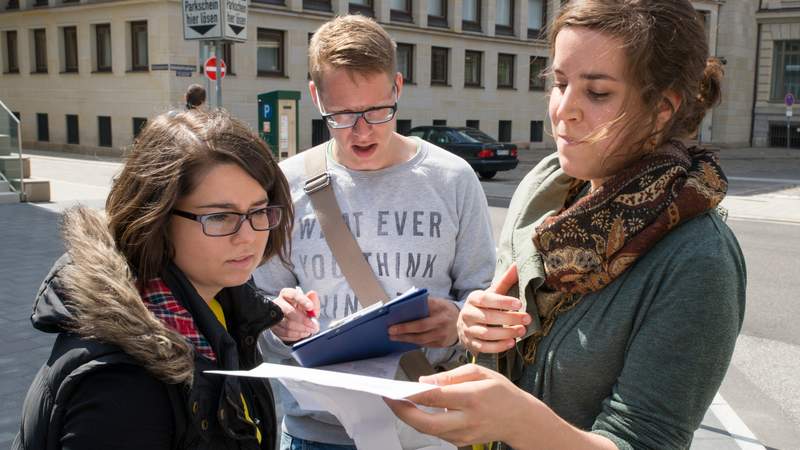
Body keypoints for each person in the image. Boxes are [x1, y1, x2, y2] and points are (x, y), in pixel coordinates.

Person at [387, 1, 747, 449]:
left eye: (596, 93)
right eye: (558, 83)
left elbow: (646, 440)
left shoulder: (699, 258)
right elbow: (511, 351)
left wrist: (518, 423)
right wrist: (475, 327)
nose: (564, 110)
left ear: (661, 108)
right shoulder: (546, 196)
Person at [253, 14, 495, 450]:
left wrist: (459, 322)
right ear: (315, 97)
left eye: (378, 111)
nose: (362, 131)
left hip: (426, 427)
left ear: (397, 88)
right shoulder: (285, 186)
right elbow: (259, 308)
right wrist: (278, 321)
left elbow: (484, 297)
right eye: (342, 114)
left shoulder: (453, 179)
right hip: (317, 432)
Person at [13, 109, 299, 450]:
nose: (248, 236)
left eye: (258, 210)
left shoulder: (219, 300)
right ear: (156, 218)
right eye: (220, 217)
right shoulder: (120, 385)